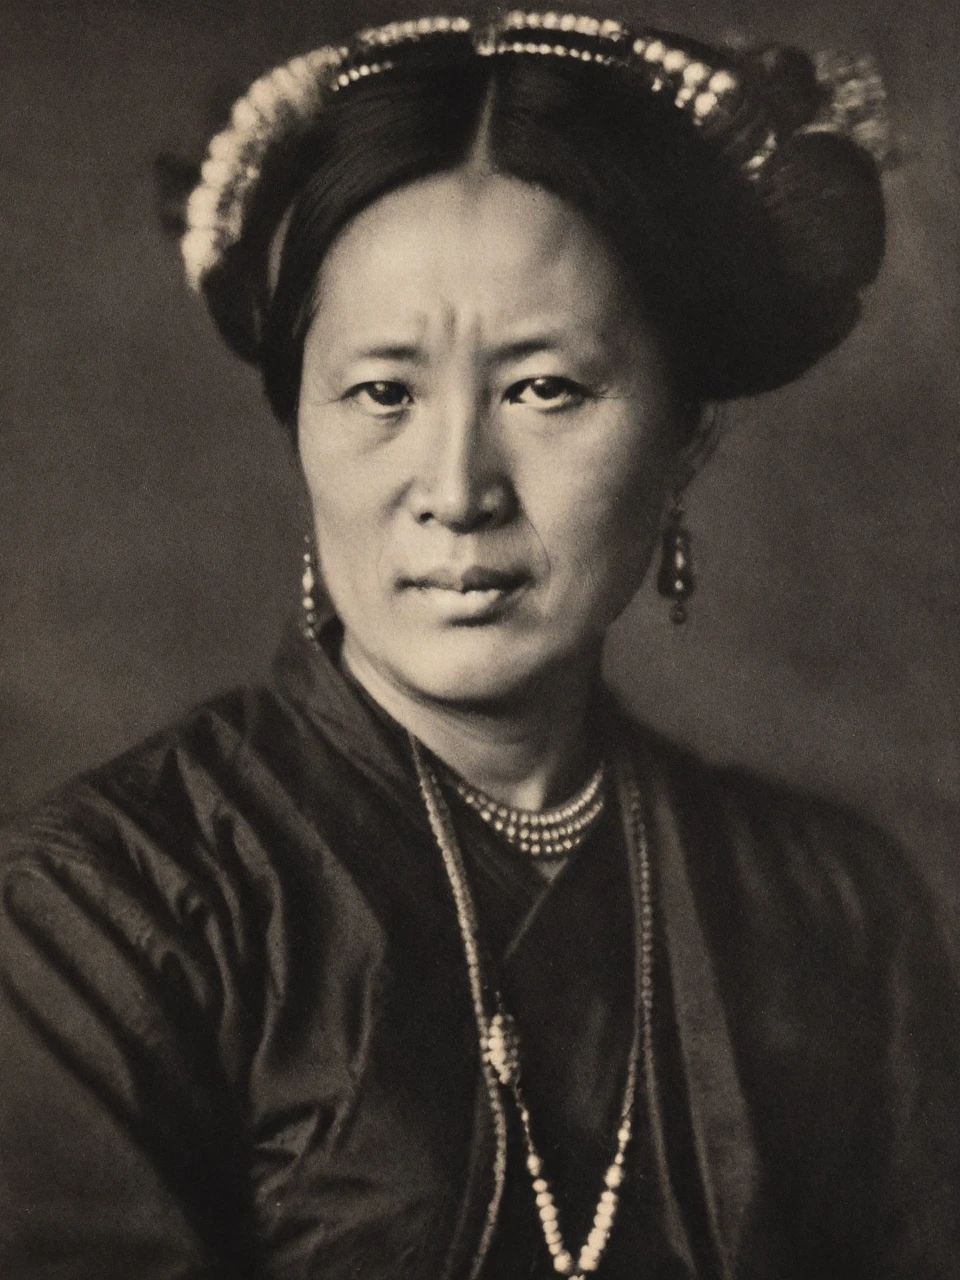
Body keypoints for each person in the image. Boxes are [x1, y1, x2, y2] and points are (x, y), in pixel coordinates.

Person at [1, 11, 957, 1279]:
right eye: (383, 391)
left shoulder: (831, 912)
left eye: (544, 388)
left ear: (683, 438)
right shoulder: (98, 922)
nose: (457, 486)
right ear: (301, 429)